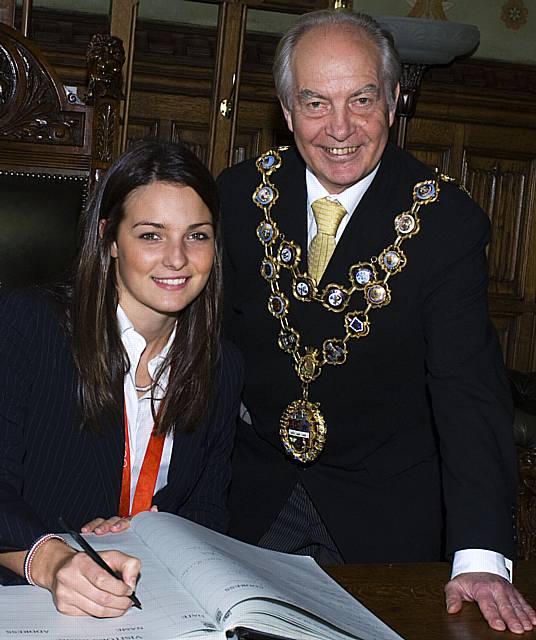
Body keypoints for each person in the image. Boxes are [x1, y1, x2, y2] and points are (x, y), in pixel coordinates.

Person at [217, 9, 536, 634]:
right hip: (246, 503)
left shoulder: (447, 221)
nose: (340, 128)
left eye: (362, 99)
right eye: (315, 102)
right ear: (286, 109)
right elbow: (192, 357)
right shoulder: (234, 197)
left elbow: (468, 393)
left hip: (385, 514)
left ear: (394, 101)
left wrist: (479, 554)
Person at [0, 141, 243, 617]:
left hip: (150, 600)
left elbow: (208, 513)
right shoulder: (30, 325)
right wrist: (52, 559)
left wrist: (148, 531)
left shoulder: (221, 365)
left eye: (197, 236)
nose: (177, 259)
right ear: (110, 239)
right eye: (151, 235)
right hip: (28, 595)